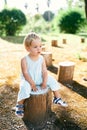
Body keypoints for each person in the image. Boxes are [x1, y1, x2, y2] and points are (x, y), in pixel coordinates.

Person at [15, 32, 68, 118]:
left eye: (40, 46)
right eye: (35, 47)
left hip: (39, 78)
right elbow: (25, 73)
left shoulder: (41, 58)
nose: (39, 49)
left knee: (52, 80)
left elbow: (44, 71)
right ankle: (19, 104)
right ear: (28, 48)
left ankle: (57, 98)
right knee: (24, 87)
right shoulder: (24, 60)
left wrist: (44, 82)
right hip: (28, 80)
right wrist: (32, 83)